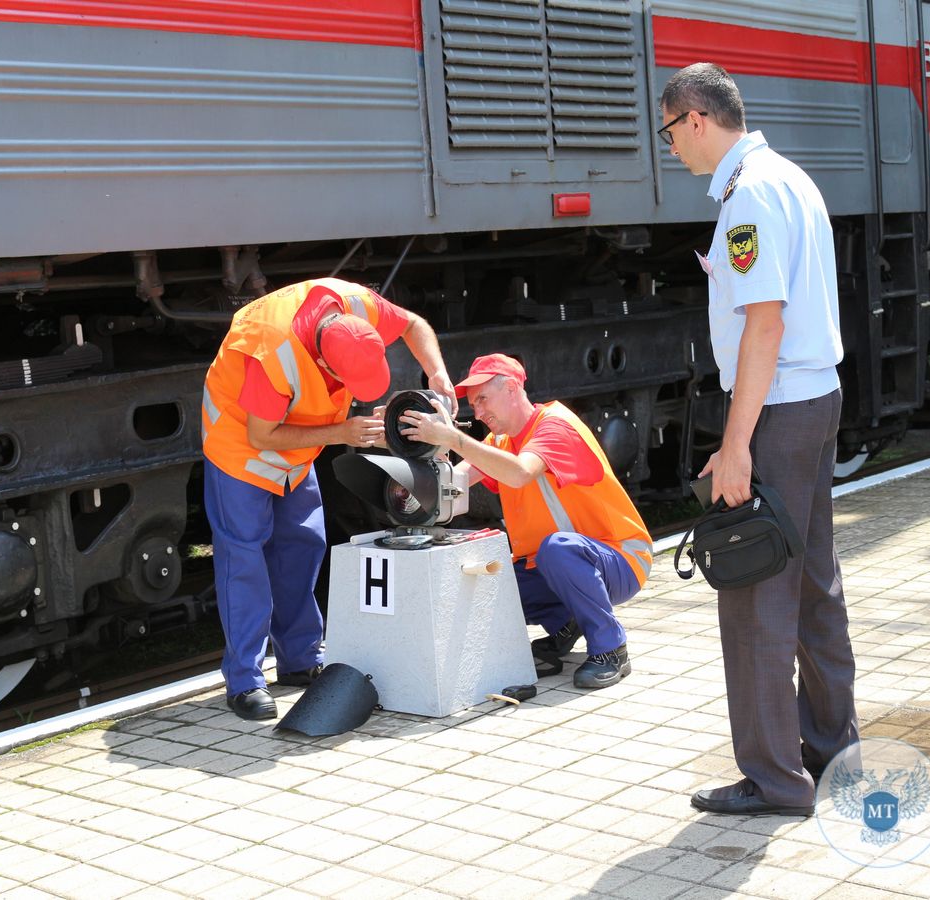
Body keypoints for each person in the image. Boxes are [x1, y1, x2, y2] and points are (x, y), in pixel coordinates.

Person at [660, 63, 859, 816]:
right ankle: (831, 744)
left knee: (753, 595)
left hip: (777, 411)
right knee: (813, 581)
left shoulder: (747, 199)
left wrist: (736, 444)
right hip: (816, 400)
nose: (673, 148)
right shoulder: (792, 178)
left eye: (671, 131)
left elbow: (763, 324)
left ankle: (776, 781)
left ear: (696, 119)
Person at [201, 276, 456, 720]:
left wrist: (437, 372)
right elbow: (261, 434)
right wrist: (342, 432)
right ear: (324, 360)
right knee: (244, 561)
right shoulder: (272, 349)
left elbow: (414, 323)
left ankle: (299, 660)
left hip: (296, 451)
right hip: (240, 452)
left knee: (303, 547)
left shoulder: (354, 305)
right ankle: (245, 681)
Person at [397, 353, 653, 689]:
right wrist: (416, 462)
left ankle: (610, 649)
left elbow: (519, 473)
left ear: (514, 388)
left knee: (556, 549)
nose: (480, 412)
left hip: (621, 558)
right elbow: (455, 483)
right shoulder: (501, 441)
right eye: (474, 404)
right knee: (491, 587)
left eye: (484, 399)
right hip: (563, 563)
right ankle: (566, 623)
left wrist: (453, 439)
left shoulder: (555, 426)